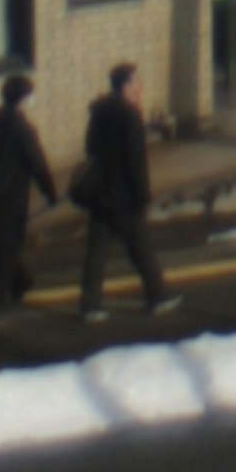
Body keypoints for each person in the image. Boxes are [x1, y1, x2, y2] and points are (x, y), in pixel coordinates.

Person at [73, 62, 168, 324]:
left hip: (100, 193)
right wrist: (143, 195)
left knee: (97, 252)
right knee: (141, 247)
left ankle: (89, 305)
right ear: (125, 87)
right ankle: (157, 297)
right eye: (136, 82)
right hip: (124, 196)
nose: (141, 87)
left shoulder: (99, 112)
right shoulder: (130, 117)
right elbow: (136, 162)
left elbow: (90, 148)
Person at [0, 65, 59, 314]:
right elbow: (37, 163)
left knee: (1, 244)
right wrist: (50, 193)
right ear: (24, 99)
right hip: (9, 197)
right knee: (7, 248)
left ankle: (20, 282)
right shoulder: (22, 129)